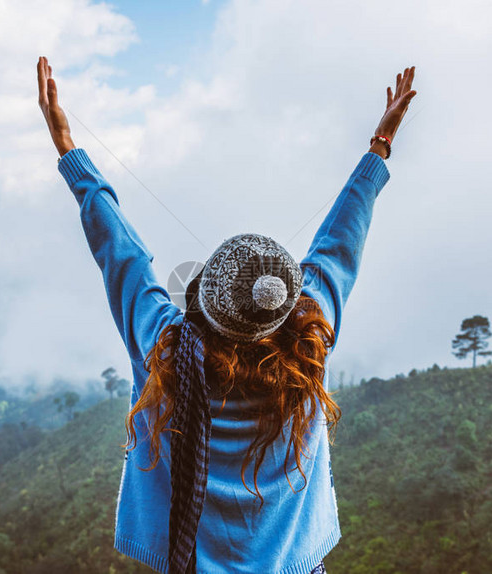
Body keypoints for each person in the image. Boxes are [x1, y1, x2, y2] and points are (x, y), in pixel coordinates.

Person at [37, 55, 416, 574]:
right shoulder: (309, 343)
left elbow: (120, 254)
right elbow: (339, 244)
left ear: (203, 292)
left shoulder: (162, 345)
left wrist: (69, 150)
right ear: (285, 306)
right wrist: (380, 147)